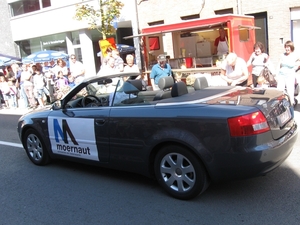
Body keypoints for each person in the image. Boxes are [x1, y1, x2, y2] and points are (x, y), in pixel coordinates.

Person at [277, 41, 300, 106]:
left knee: (290, 92)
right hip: (282, 75)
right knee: (280, 91)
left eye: (288, 47)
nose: (287, 49)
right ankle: (280, 106)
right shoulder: (282, 55)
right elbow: (279, 65)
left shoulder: (295, 55)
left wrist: (297, 67)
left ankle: (291, 106)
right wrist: (276, 74)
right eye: (286, 47)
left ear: (291, 48)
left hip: (290, 75)